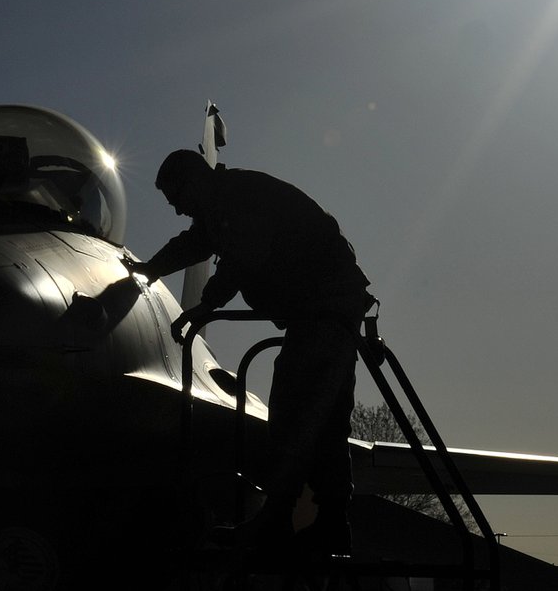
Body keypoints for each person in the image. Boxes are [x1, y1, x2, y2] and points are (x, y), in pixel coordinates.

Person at [124, 149, 373, 557]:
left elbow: (245, 254)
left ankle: (277, 521)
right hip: (325, 311)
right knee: (326, 423)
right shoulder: (225, 203)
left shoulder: (240, 198)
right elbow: (196, 243)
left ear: (193, 182)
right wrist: (152, 268)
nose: (177, 211)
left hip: (326, 310)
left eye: (176, 199)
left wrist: (207, 305)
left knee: (292, 409)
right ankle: (329, 526)